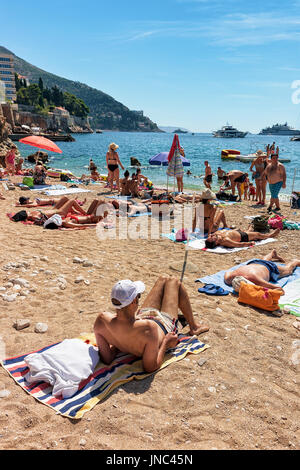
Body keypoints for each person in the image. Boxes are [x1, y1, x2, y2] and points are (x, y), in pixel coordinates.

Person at [93, 276, 209, 373]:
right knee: (174, 281)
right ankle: (193, 327)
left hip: (141, 316)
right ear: (133, 301)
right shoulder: (148, 328)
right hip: (164, 324)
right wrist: (166, 343)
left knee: (162, 279)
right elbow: (150, 367)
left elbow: (107, 359)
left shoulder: (101, 320)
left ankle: (192, 325)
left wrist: (118, 342)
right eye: (138, 296)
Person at [224, 249, 300, 293]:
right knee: (264, 261)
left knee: (288, 270)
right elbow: (227, 272)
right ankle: (271, 254)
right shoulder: (230, 278)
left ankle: (295, 261)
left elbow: (280, 289)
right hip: (255, 263)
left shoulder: (256, 280)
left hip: (269, 268)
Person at [205, 227, 280, 249]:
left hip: (236, 232)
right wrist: (249, 243)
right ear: (216, 242)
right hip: (243, 236)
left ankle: (249, 230)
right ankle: (270, 235)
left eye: (210, 236)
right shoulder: (225, 241)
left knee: (248, 230)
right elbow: (238, 244)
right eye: (211, 237)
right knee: (257, 234)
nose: (211, 235)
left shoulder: (215, 235)